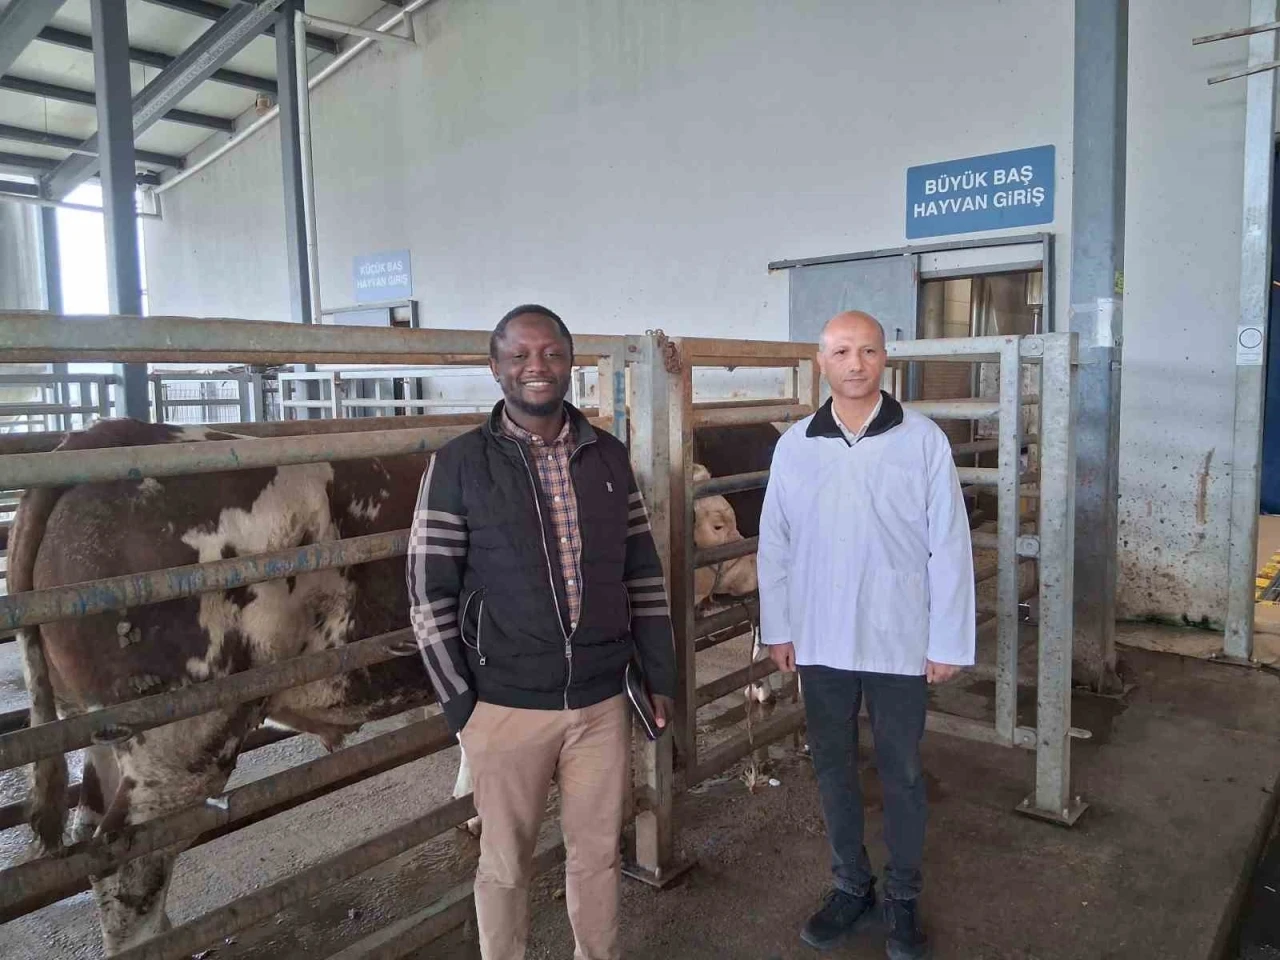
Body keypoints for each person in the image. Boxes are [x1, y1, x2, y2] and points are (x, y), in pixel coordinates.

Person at [406, 304, 677, 960]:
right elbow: (426, 593)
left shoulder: (607, 457)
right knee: (504, 865)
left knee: (597, 857)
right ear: (495, 367)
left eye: (552, 353)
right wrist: (463, 708)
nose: (537, 366)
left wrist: (659, 675)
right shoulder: (458, 464)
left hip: (600, 704)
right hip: (504, 707)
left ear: (570, 363)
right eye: (520, 355)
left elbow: (642, 573)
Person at [756, 310, 975, 959]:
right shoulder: (796, 445)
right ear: (821, 362)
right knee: (832, 764)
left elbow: (949, 544)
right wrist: (780, 628)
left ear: (886, 358)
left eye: (869, 351)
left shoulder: (922, 440)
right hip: (820, 636)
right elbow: (775, 543)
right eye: (842, 352)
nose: (856, 364)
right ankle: (851, 885)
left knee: (901, 768)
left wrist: (946, 640)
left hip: (899, 636)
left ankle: (902, 894)